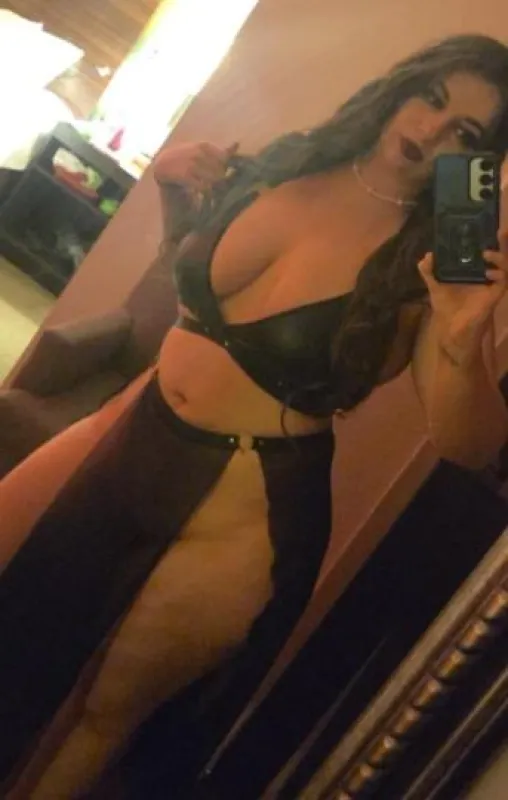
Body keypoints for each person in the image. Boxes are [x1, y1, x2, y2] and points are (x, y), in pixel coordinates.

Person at [1, 33, 508, 799]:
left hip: (240, 513)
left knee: (96, 715)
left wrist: (467, 344)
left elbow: (465, 444)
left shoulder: (435, 266)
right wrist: (173, 192)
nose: (432, 130)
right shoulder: (294, 159)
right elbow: (192, 287)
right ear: (404, 86)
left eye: (464, 134)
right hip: (130, 429)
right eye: (431, 99)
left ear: (483, 163)